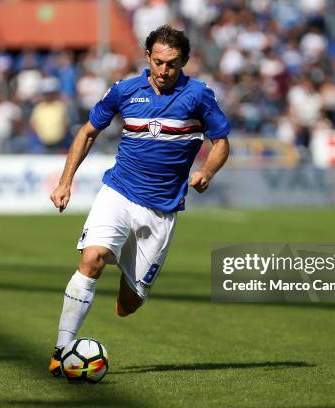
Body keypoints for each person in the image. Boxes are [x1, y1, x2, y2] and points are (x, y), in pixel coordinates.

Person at [47, 25, 230, 376]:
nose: (163, 71)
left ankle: (129, 281)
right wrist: (64, 182)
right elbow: (88, 132)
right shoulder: (124, 90)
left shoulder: (199, 96)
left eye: (172, 64)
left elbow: (221, 142)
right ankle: (60, 352)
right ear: (147, 57)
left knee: (128, 305)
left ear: (184, 63)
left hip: (161, 211)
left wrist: (206, 171)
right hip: (118, 192)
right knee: (93, 259)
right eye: (158, 62)